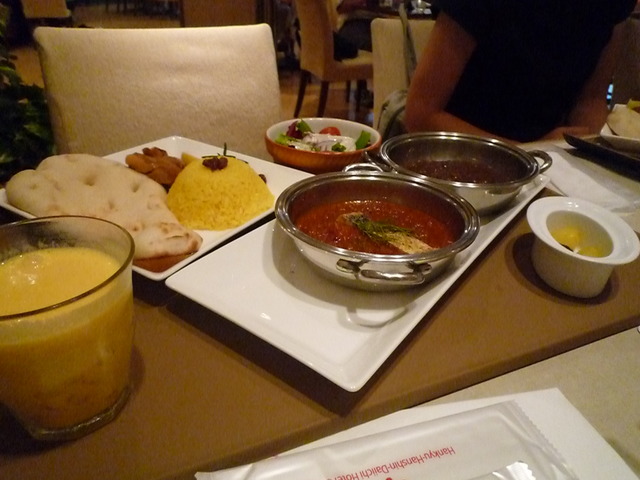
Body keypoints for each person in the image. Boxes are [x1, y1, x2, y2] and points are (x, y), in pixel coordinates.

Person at [403, 0, 637, 144]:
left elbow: (591, 98)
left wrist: (586, 146)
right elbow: (421, 115)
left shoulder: (612, 5)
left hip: (549, 166)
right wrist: (532, 153)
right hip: (457, 156)